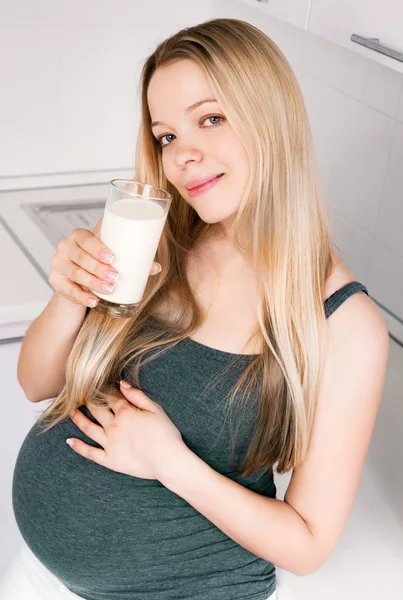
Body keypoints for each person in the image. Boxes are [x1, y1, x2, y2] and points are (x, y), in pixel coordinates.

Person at [1, 17, 389, 600]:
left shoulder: (341, 320)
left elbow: (308, 543)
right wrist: (67, 296)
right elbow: (36, 384)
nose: (183, 155)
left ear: (270, 118)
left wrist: (168, 461)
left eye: (210, 118)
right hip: (40, 573)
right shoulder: (149, 234)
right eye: (167, 136)